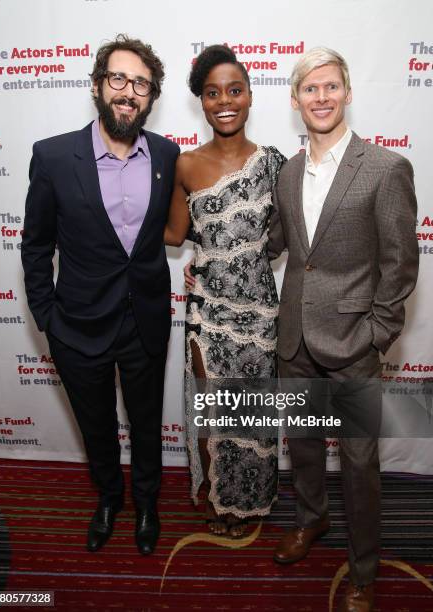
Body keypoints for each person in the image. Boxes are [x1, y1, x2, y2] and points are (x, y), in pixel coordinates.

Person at [268, 47, 418, 611]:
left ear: (348, 92)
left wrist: (376, 333)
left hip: (354, 344)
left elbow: (401, 263)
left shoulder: (384, 168)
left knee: (358, 464)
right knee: (304, 448)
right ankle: (312, 520)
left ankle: (363, 568)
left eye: (331, 87)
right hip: (295, 341)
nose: (322, 97)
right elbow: (283, 247)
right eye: (310, 89)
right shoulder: (285, 171)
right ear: (295, 100)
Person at [21, 34, 179, 556]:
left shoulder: (165, 153)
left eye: (140, 83)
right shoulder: (53, 156)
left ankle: (148, 503)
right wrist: (47, 317)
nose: (128, 92)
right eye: (119, 79)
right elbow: (36, 244)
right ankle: (110, 498)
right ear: (97, 85)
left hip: (145, 320)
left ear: (150, 96)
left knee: (147, 423)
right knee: (96, 427)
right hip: (78, 326)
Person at [165, 45, 285, 537]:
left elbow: (287, 237)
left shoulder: (275, 164)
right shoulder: (186, 164)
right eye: (212, 93)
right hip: (207, 312)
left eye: (234, 90)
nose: (225, 101)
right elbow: (173, 234)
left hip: (258, 310)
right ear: (202, 102)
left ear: (251, 96)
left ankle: (250, 503)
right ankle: (218, 496)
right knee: (212, 409)